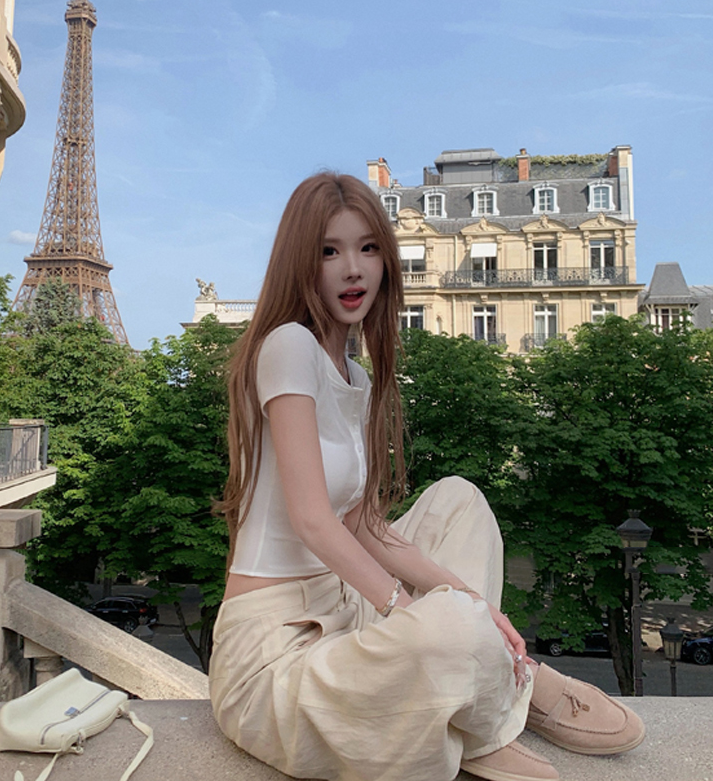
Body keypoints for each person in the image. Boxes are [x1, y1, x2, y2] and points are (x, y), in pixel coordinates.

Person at [209, 172, 645, 781]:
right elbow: (313, 520)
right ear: (299, 262)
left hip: (343, 609)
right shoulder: (287, 345)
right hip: (275, 653)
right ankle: (498, 698)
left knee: (459, 501)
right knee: (443, 623)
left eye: (367, 248)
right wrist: (409, 610)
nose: (353, 269)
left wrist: (478, 609)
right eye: (329, 251)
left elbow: (361, 523)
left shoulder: (356, 378)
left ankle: (482, 674)